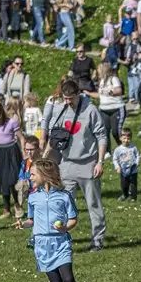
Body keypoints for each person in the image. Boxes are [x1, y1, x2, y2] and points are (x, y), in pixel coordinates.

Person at [16, 159, 87, 282]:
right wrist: (23, 224)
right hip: (42, 245)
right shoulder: (33, 197)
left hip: (60, 242)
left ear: (44, 175)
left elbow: (73, 219)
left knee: (68, 278)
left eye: (33, 174)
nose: (30, 177)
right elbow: (31, 220)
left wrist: (64, 228)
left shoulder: (64, 196)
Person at [40, 79, 108, 252]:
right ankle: (61, 239)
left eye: (71, 98)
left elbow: (101, 136)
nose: (68, 102)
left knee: (93, 204)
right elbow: (55, 136)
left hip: (88, 164)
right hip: (67, 164)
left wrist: (100, 162)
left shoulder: (91, 110)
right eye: (65, 98)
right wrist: (44, 156)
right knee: (62, 204)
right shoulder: (61, 109)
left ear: (78, 94)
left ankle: (97, 240)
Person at [113, 127, 140, 201]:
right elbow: (115, 159)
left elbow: (137, 155)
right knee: (124, 185)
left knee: (133, 184)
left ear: (130, 138)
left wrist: (137, 163)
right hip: (123, 170)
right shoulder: (118, 149)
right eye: (124, 138)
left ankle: (133, 197)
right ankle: (125, 195)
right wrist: (117, 167)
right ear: (120, 138)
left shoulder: (133, 148)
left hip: (133, 170)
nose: (126, 140)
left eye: (128, 138)